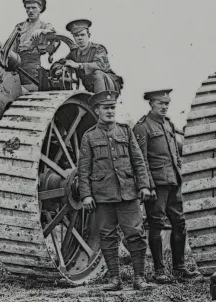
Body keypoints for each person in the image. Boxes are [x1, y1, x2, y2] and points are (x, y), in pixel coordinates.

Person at [78, 90, 153, 291]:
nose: (110, 111)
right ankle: (114, 279)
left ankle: (139, 278)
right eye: (106, 108)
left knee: (135, 235)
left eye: (112, 107)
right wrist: (85, 195)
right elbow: (83, 169)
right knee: (107, 236)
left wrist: (144, 185)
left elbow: (138, 161)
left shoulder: (125, 131)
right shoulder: (89, 136)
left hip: (128, 193)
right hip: (103, 196)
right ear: (97, 110)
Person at [133, 89, 201, 283]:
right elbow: (141, 160)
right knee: (156, 225)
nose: (164, 107)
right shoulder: (142, 127)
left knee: (179, 223)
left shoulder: (169, 124)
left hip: (173, 182)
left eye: (166, 104)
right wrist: (147, 185)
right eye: (160, 103)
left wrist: (180, 174)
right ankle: (159, 271)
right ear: (151, 104)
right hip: (157, 185)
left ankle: (179, 268)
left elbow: (175, 155)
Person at [54, 19, 123, 93]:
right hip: (91, 88)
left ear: (88, 35)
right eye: (76, 36)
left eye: (82, 35)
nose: (80, 38)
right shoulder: (74, 53)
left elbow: (102, 65)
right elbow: (62, 62)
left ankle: (102, 101)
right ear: (74, 38)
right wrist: (59, 69)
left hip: (109, 86)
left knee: (97, 73)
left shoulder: (98, 49)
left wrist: (79, 65)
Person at [9, 0, 56, 92]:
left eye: (34, 8)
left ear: (40, 9)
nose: (30, 11)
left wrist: (41, 31)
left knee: (29, 93)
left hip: (32, 69)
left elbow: (51, 31)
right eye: (28, 8)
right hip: (15, 66)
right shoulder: (20, 26)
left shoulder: (44, 25)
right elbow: (10, 46)